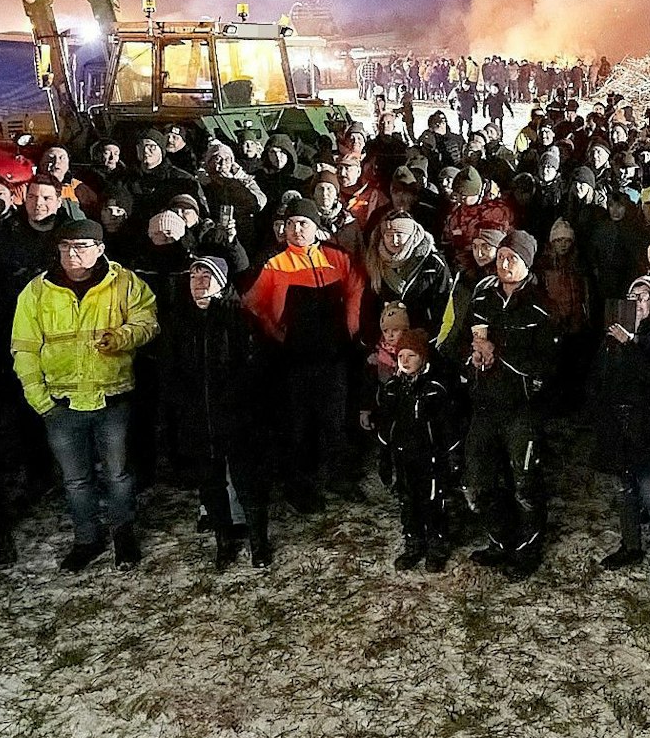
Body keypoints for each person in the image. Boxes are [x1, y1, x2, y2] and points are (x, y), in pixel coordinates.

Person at [10, 217, 160, 571]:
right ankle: (87, 539)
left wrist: (121, 338)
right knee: (76, 480)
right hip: (61, 405)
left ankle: (124, 536)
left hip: (113, 397)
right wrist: (40, 400)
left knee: (118, 475)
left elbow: (148, 323)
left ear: (100, 250)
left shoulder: (125, 284)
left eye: (80, 247)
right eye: (64, 247)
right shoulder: (37, 292)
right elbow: (24, 350)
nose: (71, 254)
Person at [244, 196, 367, 512]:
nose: (297, 229)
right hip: (294, 360)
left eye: (304, 223)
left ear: (316, 228)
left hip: (333, 355)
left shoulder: (336, 258)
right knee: (298, 425)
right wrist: (277, 333)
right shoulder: (275, 264)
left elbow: (356, 287)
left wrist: (351, 327)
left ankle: (339, 476)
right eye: (291, 224)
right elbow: (253, 303)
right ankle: (300, 486)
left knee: (335, 420)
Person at [165, 254, 272, 570]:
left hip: (236, 418)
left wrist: (233, 399)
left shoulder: (239, 317)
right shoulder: (178, 320)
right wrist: (185, 405)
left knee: (246, 482)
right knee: (210, 486)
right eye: (194, 276)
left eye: (206, 275)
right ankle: (223, 541)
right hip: (197, 420)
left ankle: (258, 542)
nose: (199, 282)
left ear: (222, 282)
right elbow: (170, 371)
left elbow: (254, 367)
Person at [464, 230, 558, 580]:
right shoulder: (483, 296)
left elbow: (548, 363)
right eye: (501, 256)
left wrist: (500, 355)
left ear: (527, 263)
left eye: (512, 258)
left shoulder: (539, 305)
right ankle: (499, 540)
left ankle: (528, 549)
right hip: (484, 403)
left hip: (521, 408)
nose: (504, 264)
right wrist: (471, 360)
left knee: (525, 482)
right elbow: (463, 340)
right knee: (481, 478)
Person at [591, 276, 650, 590]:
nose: (636, 302)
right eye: (632, 295)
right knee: (624, 491)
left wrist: (631, 344)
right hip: (618, 424)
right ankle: (631, 546)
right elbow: (601, 377)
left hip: (648, 428)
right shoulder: (614, 332)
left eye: (643, 297)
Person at [371, 329, 460, 573]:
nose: (406, 361)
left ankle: (436, 546)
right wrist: (384, 456)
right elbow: (386, 424)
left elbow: (447, 425)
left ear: (423, 358)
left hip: (430, 457)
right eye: (402, 355)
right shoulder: (392, 389)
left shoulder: (434, 389)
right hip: (403, 455)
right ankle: (413, 544)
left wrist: (452, 454)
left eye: (412, 355)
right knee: (407, 501)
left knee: (433, 502)